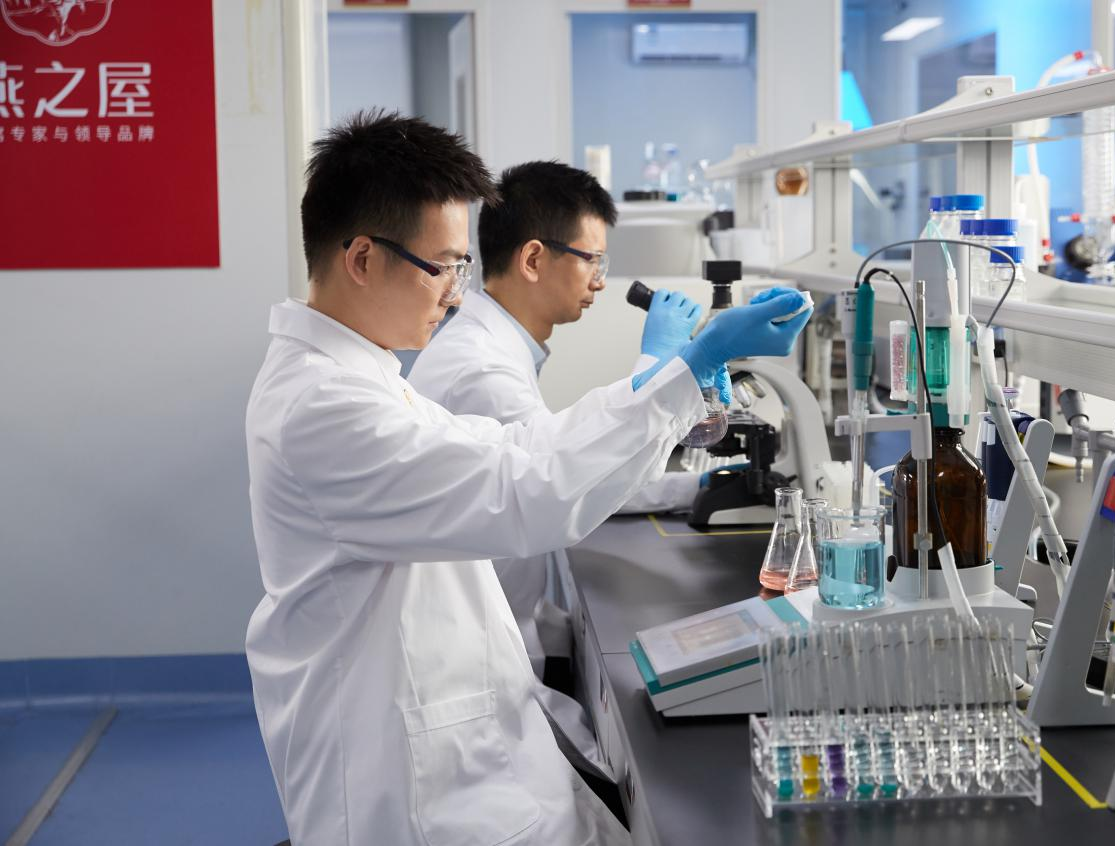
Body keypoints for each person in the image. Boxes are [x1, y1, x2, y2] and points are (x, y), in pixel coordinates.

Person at [244, 110, 811, 846]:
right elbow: (525, 487)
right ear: (361, 259)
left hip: (456, 737)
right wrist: (682, 369)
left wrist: (676, 377)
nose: (455, 293)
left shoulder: (361, 376)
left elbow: (512, 449)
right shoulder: (325, 407)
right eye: (443, 267)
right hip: (411, 784)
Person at [409, 162, 705, 776]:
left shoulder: (495, 348)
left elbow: (568, 461)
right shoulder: (482, 370)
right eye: (591, 259)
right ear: (534, 258)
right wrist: (658, 372)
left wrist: (692, 482)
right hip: (479, 659)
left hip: (505, 621)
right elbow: (565, 479)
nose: (600, 280)